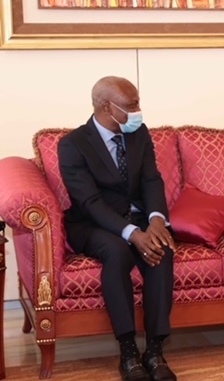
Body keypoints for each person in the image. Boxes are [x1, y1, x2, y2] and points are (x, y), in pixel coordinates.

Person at [58, 76, 177, 381]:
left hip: (138, 218)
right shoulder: (73, 144)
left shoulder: (138, 134)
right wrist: (132, 234)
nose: (139, 110)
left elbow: (152, 179)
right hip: (94, 223)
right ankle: (127, 351)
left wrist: (154, 220)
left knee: (161, 249)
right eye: (132, 105)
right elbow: (90, 202)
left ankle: (154, 350)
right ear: (108, 107)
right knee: (117, 253)